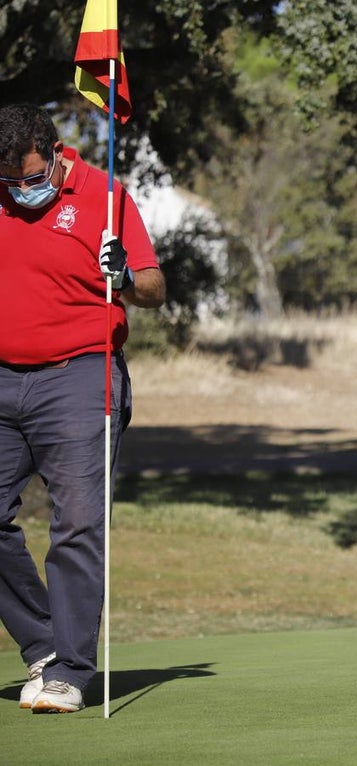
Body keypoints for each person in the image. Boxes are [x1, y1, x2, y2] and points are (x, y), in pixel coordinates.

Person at [0, 103, 166, 713]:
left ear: (55, 152)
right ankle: (44, 645)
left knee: (76, 524)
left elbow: (154, 288)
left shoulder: (105, 194)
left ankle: (70, 670)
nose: (21, 191)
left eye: (31, 176)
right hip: (1, 379)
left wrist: (122, 275)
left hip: (79, 374)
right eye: (9, 182)